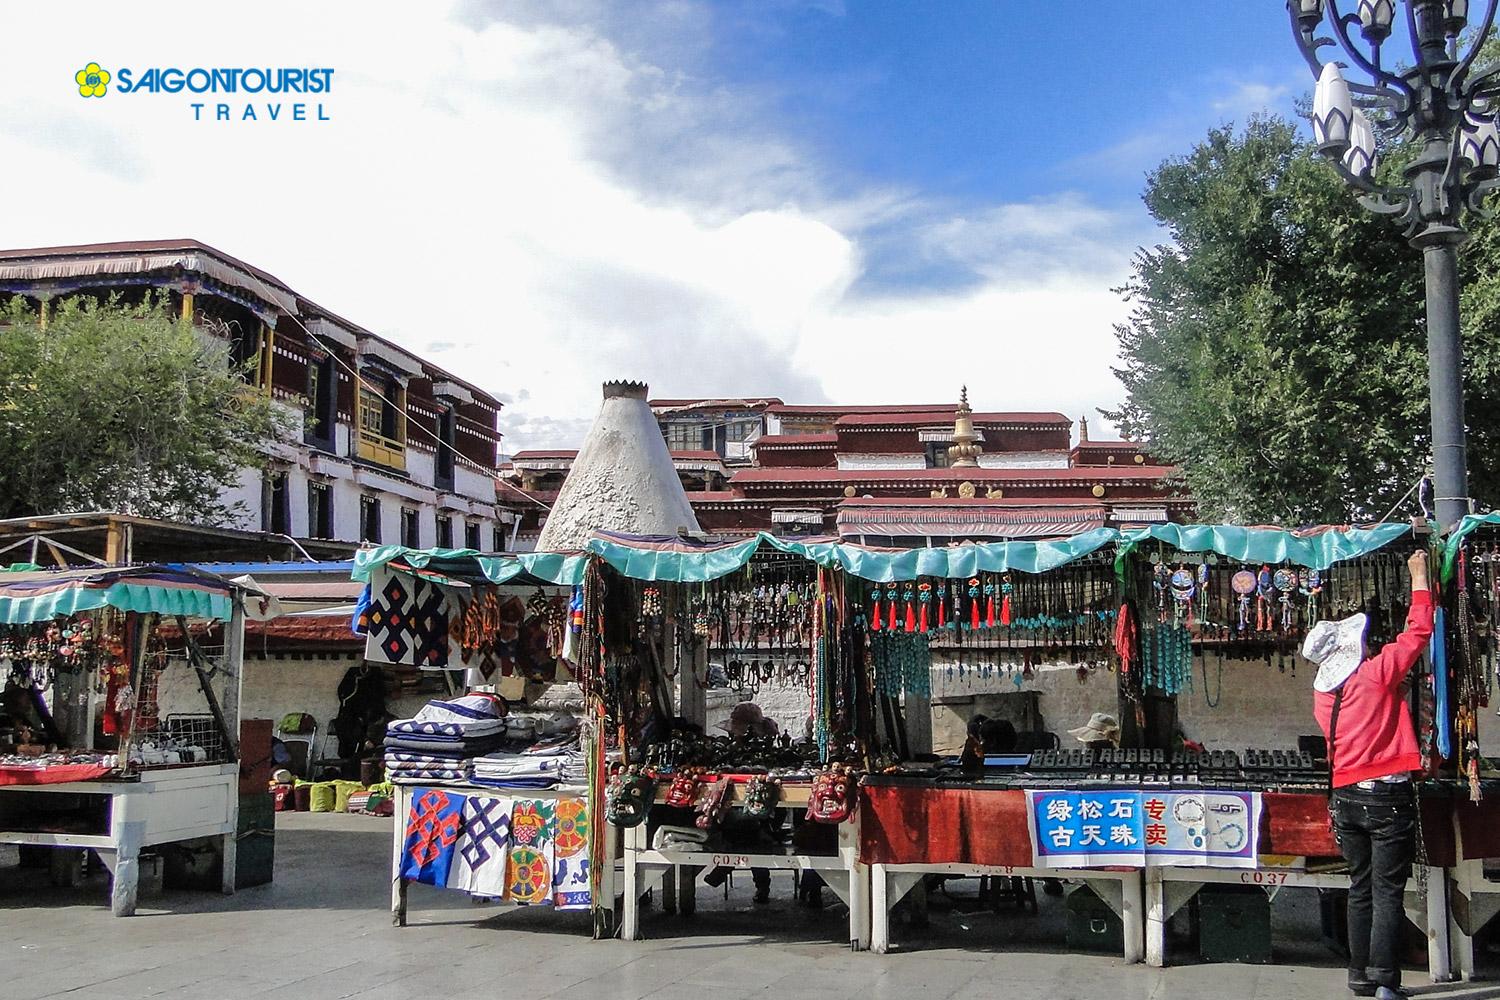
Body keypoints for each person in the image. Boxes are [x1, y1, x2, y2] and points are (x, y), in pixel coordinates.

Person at [1307, 550, 1432, 1000]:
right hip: (1385, 798)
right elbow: (1418, 631)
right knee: (1386, 892)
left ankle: (1358, 976)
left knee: (1359, 888)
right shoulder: (1376, 676)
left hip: (1346, 799)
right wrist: (1419, 576)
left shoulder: (1324, 696)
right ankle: (1383, 980)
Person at [703, 703, 780, 903]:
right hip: (738, 812)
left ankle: (729, 871)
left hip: (761, 814)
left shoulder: (765, 750)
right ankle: (757, 883)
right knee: (735, 827)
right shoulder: (730, 749)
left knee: (748, 829)